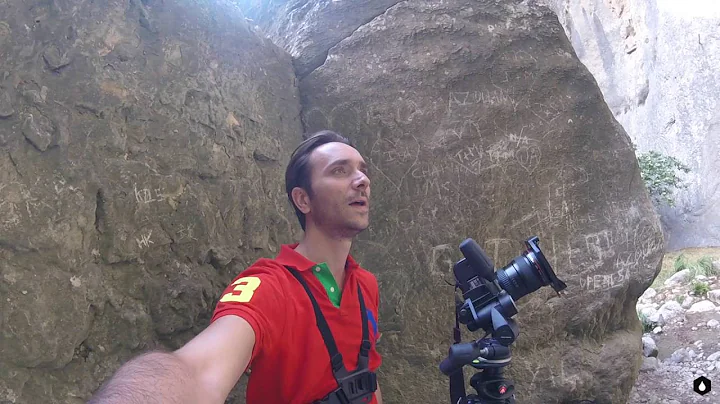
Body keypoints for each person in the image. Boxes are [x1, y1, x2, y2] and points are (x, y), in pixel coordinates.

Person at [87, 130, 383, 404]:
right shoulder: (268, 288)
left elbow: (366, 374)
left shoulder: (365, 284)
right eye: (339, 171)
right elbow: (196, 371)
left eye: (362, 170)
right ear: (303, 199)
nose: (362, 180)